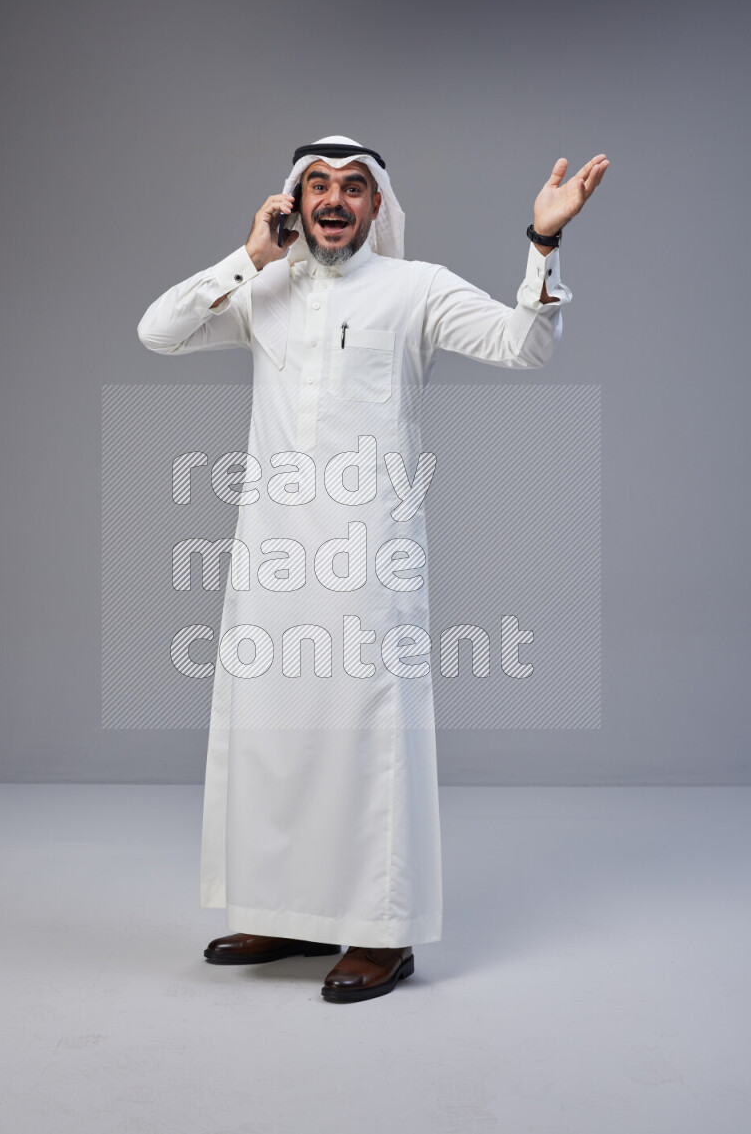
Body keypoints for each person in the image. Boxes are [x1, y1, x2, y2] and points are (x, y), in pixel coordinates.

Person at [137, 135, 608, 1004]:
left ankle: (383, 935)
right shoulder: (263, 289)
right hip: (273, 557)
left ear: (376, 205)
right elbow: (157, 332)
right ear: (293, 201)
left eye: (353, 187)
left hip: (368, 560)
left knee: (368, 743)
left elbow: (524, 346)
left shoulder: (413, 287)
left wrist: (543, 242)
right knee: (273, 737)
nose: (334, 200)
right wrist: (249, 256)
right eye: (317, 185)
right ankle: (282, 911)